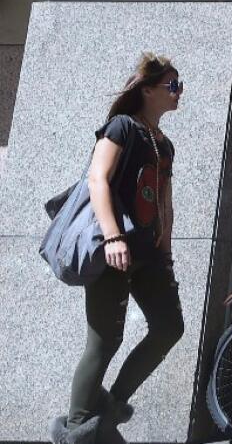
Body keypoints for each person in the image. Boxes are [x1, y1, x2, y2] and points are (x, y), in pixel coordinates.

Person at [51, 53, 186, 444]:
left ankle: (109, 411)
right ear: (147, 89)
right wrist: (112, 237)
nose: (179, 93)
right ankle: (78, 429)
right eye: (172, 86)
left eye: (180, 87)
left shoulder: (165, 144)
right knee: (105, 339)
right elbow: (98, 179)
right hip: (115, 249)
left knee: (168, 327)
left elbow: (164, 202)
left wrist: (167, 250)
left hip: (151, 255)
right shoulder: (122, 127)